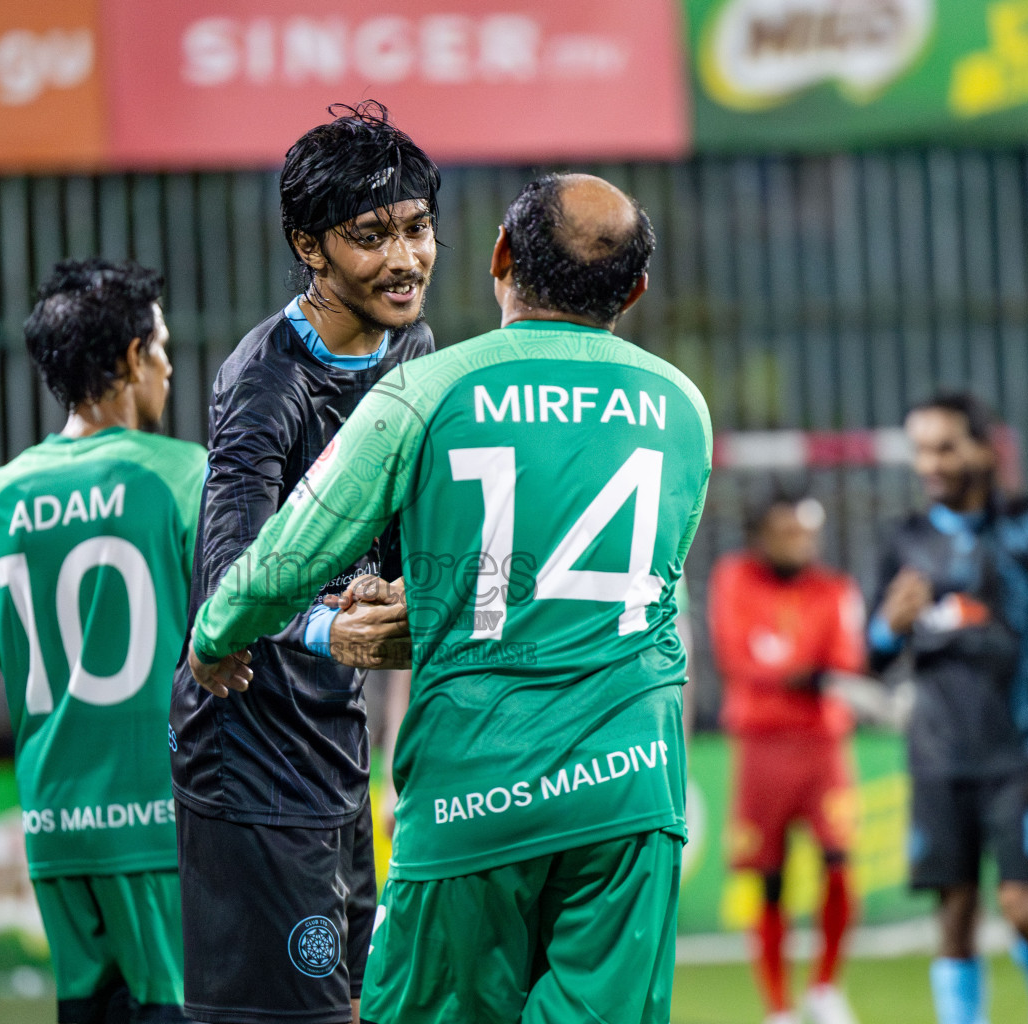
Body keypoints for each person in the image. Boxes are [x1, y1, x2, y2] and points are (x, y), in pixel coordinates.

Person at [189, 172, 711, 1024]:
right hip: (633, 786)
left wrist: (217, 634)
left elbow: (283, 559)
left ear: (501, 257)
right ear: (636, 290)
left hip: (479, 787)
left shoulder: (427, 391)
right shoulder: (683, 407)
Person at [168, 101, 436, 1024]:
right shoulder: (264, 381)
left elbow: (397, 533)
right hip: (248, 757)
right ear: (309, 247)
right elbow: (227, 576)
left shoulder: (414, 351)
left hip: (335, 748)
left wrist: (394, 588)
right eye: (371, 236)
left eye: (417, 228)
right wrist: (330, 622)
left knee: (360, 1008)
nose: (404, 259)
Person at [0, 258, 202, 1024]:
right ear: (127, 361)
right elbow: (235, 622)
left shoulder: (1, 493)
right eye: (161, 348)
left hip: (55, 827)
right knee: (175, 1008)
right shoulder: (183, 475)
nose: (170, 366)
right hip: (157, 819)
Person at [869, 394, 1028, 1024]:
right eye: (920, 449)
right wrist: (889, 626)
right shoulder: (904, 540)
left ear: (986, 449)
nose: (928, 462)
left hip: (1020, 753)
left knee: (1022, 905)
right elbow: (871, 654)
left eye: (944, 446)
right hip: (938, 757)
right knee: (955, 917)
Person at [709, 490, 866, 1024]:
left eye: (805, 531)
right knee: (768, 877)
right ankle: (778, 1007)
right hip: (761, 745)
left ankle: (825, 987)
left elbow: (845, 662)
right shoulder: (733, 579)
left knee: (840, 863)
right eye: (784, 531)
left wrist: (804, 673)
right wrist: (800, 674)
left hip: (823, 745)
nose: (797, 542)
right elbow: (738, 654)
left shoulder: (835, 589)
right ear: (760, 535)